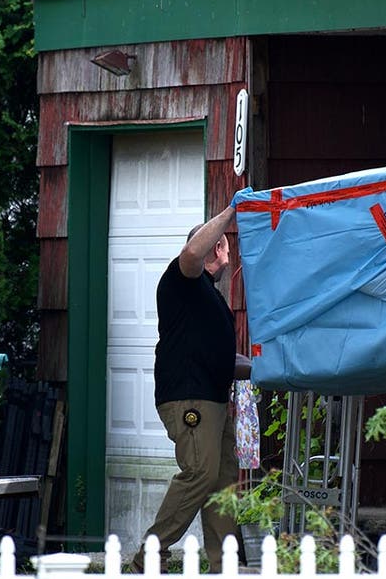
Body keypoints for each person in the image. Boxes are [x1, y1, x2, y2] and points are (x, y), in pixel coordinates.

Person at [131, 203, 240, 573]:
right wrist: (229, 213)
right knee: (200, 473)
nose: (228, 254)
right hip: (190, 398)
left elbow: (223, 356)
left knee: (222, 484)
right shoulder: (182, 280)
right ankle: (151, 553)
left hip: (214, 400)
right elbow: (192, 250)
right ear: (215, 249)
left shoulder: (209, 296)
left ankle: (224, 566)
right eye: (225, 246)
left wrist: (263, 368)